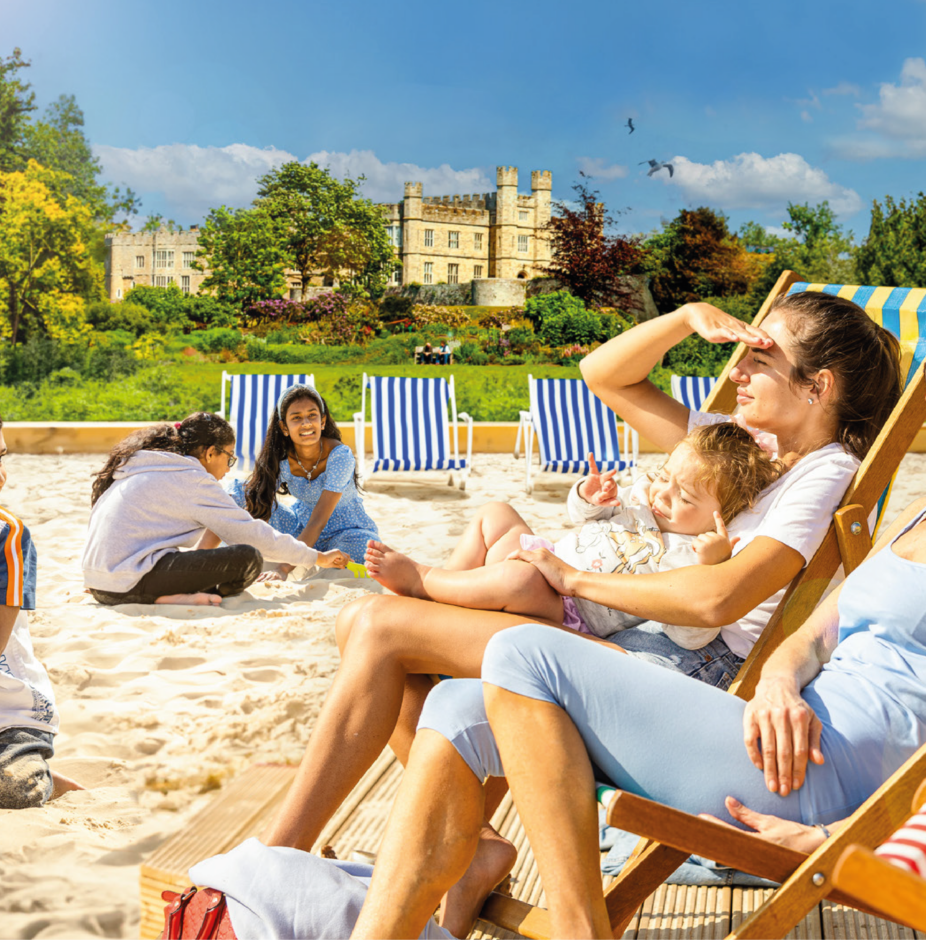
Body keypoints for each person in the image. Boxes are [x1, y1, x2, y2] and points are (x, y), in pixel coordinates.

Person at [261, 290, 901, 899]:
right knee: (374, 631)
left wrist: (572, 582)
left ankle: (274, 861)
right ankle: (474, 847)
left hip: (685, 669)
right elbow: (604, 375)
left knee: (378, 626)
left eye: (761, 358)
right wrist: (683, 318)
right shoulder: (744, 448)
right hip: (622, 636)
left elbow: (717, 602)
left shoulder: (824, 473)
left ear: (818, 387)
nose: (738, 370)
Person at [346, 491, 926, 940]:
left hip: (819, 783)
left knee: (520, 653)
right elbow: (816, 638)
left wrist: (836, 837)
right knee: (455, 703)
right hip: (780, 731)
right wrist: (778, 679)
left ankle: (582, 929)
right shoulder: (916, 512)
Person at [366, 422, 786, 649]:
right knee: (496, 514)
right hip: (547, 558)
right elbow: (582, 515)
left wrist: (709, 567)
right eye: (665, 478)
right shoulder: (643, 498)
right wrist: (589, 496)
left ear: (722, 518)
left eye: (685, 498)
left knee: (520, 579)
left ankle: (425, 581)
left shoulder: (688, 556)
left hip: (568, 610)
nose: (664, 495)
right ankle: (443, 588)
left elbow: (691, 634)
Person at [82, 412, 348, 607]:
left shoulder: (145, 466)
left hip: (99, 584)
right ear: (210, 453)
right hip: (129, 582)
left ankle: (167, 594)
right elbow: (250, 534)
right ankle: (167, 598)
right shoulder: (192, 478)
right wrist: (316, 557)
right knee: (248, 557)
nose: (229, 468)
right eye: (229, 457)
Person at [0, 398, 82, 808]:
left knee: (6, 789)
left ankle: (35, 770)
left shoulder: (3, 538)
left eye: (0, 459)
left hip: (4, 716)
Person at [212, 384, 379, 568]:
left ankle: (312, 557)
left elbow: (318, 521)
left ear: (322, 422)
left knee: (359, 552)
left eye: (312, 415)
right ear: (284, 427)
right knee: (237, 492)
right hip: (299, 528)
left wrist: (284, 568)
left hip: (346, 532)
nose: (306, 423)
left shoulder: (339, 456)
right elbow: (258, 502)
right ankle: (207, 556)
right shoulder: (281, 459)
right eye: (296, 418)